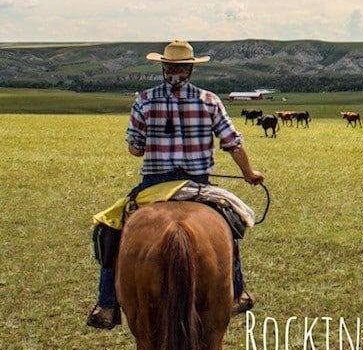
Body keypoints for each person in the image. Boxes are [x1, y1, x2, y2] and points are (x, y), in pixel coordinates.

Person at [87, 40, 265, 330]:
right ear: (190, 70)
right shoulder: (209, 100)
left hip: (154, 186)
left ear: (164, 68)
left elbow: (135, 148)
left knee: (110, 229)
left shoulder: (144, 99)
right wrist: (249, 172)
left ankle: (107, 304)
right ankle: (237, 292)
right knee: (228, 225)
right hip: (199, 185)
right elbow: (232, 143)